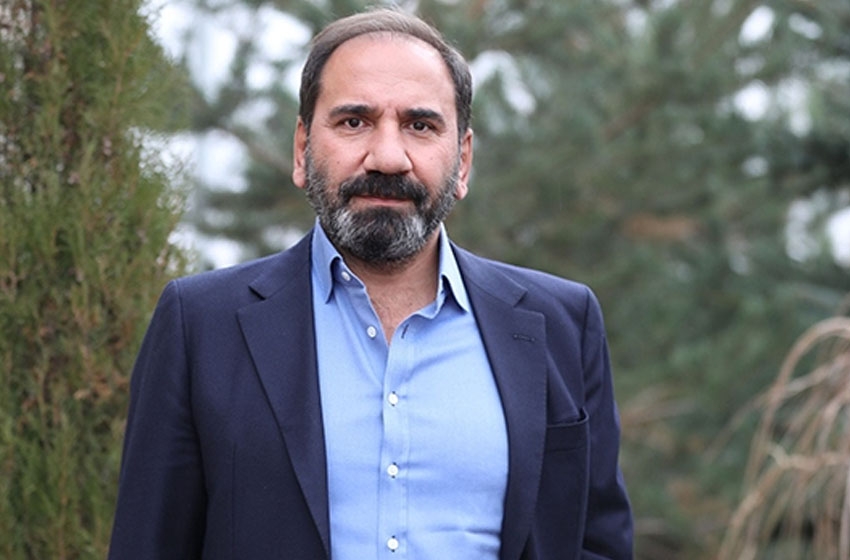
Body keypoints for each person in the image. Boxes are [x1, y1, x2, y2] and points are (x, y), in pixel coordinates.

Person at [108, 7, 633, 560]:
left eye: (420, 125)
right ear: (302, 150)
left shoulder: (561, 325)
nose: (387, 157)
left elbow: (596, 543)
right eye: (354, 121)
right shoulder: (200, 326)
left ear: (463, 161)